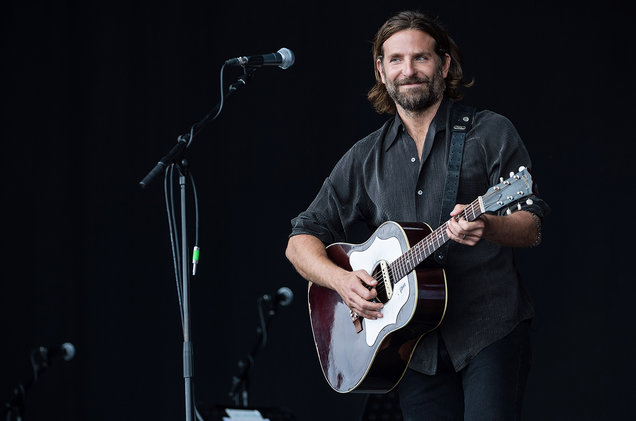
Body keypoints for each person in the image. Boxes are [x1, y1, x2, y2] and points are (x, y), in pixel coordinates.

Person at [285, 10, 550, 421]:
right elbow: (300, 240)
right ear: (381, 71)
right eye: (396, 60)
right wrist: (341, 281)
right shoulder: (366, 157)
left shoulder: (490, 132)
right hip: (412, 348)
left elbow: (531, 225)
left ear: (444, 64)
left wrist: (489, 225)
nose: (408, 71)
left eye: (421, 58)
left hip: (488, 330)